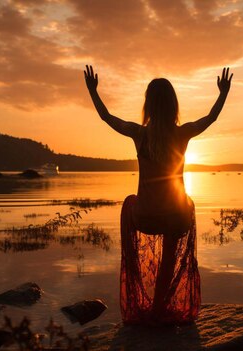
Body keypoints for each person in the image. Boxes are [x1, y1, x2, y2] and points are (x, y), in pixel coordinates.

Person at [83, 65, 233, 325]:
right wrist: (223, 93)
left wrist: (93, 91)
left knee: (130, 202)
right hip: (176, 218)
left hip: (145, 217)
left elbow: (107, 117)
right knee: (186, 206)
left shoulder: (139, 134)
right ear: (173, 105)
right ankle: (159, 306)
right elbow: (211, 118)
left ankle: (137, 292)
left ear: (148, 105)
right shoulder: (182, 133)